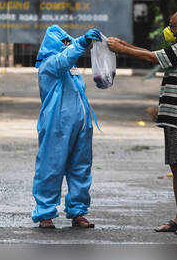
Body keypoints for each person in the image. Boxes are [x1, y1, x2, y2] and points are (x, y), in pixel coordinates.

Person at [108, 10, 177, 235]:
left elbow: (151, 58)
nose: (168, 30)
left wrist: (122, 49)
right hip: (174, 117)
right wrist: (125, 45)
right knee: (176, 167)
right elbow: (154, 54)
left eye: (172, 26)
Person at [32, 25, 102, 228]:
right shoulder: (49, 65)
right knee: (50, 167)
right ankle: (45, 213)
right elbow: (63, 60)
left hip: (80, 126)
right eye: (65, 44)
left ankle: (78, 212)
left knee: (81, 168)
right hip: (57, 126)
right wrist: (81, 42)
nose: (68, 46)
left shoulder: (71, 69)